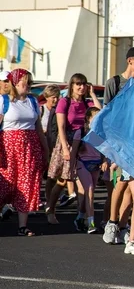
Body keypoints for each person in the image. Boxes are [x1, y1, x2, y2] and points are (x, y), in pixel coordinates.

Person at [102, 47, 134, 245]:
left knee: (132, 189)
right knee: (121, 185)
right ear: (130, 60)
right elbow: (106, 114)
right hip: (119, 141)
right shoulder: (114, 82)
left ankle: (122, 226)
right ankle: (112, 223)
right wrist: (109, 148)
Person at [46, 73, 101, 225]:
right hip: (68, 141)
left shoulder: (87, 103)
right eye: (78, 84)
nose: (81, 87)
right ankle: (50, 209)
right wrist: (64, 148)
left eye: (83, 84)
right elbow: (61, 126)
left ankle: (81, 216)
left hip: (84, 143)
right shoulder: (65, 102)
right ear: (72, 86)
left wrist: (93, 95)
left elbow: (99, 112)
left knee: (82, 183)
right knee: (63, 180)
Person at [0, 69, 49, 236]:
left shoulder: (33, 102)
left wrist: (45, 149)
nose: (29, 85)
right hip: (8, 147)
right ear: (15, 82)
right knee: (5, 184)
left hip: (30, 147)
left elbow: (38, 129)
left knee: (27, 184)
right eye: (25, 81)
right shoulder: (4, 100)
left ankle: (22, 226)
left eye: (30, 82)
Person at [70, 107, 106, 234]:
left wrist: (104, 161)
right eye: (94, 117)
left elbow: (104, 150)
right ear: (88, 119)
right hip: (82, 163)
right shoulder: (81, 132)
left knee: (88, 194)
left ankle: (80, 217)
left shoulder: (101, 133)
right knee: (89, 190)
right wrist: (71, 170)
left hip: (95, 164)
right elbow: (73, 152)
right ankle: (91, 223)